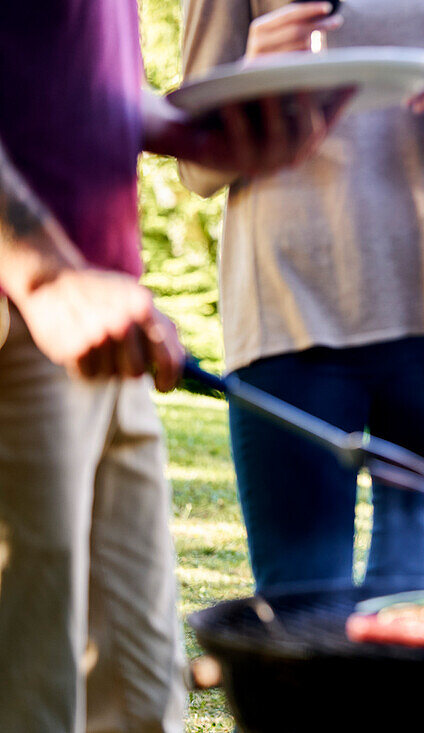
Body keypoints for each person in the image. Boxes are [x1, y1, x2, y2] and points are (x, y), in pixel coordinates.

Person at [0, 2, 345, 731]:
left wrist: (191, 122)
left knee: (142, 693)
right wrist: (36, 270)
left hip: (108, 320)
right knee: (28, 689)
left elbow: (55, 69)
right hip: (23, 313)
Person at [179, 0, 424, 592]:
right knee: (299, 602)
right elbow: (194, 164)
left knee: (423, 605)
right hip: (291, 305)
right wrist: (248, 77)